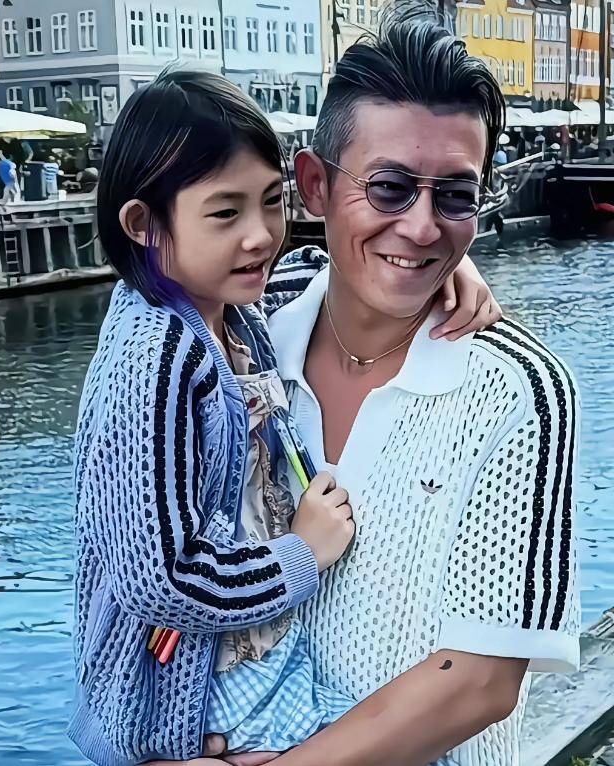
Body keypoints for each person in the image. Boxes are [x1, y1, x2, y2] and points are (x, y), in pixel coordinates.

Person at [177, 5, 580, 766]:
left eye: (455, 195)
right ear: (314, 186)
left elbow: (480, 680)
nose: (423, 227)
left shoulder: (519, 389)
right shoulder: (235, 345)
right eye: (390, 187)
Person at [69, 67, 496, 766]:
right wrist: (301, 554)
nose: (261, 236)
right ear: (144, 225)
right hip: (202, 688)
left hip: (237, 655)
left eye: (271, 202)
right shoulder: (157, 360)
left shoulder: (227, 307)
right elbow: (160, 579)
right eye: (225, 213)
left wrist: (444, 264)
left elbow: (324, 274)